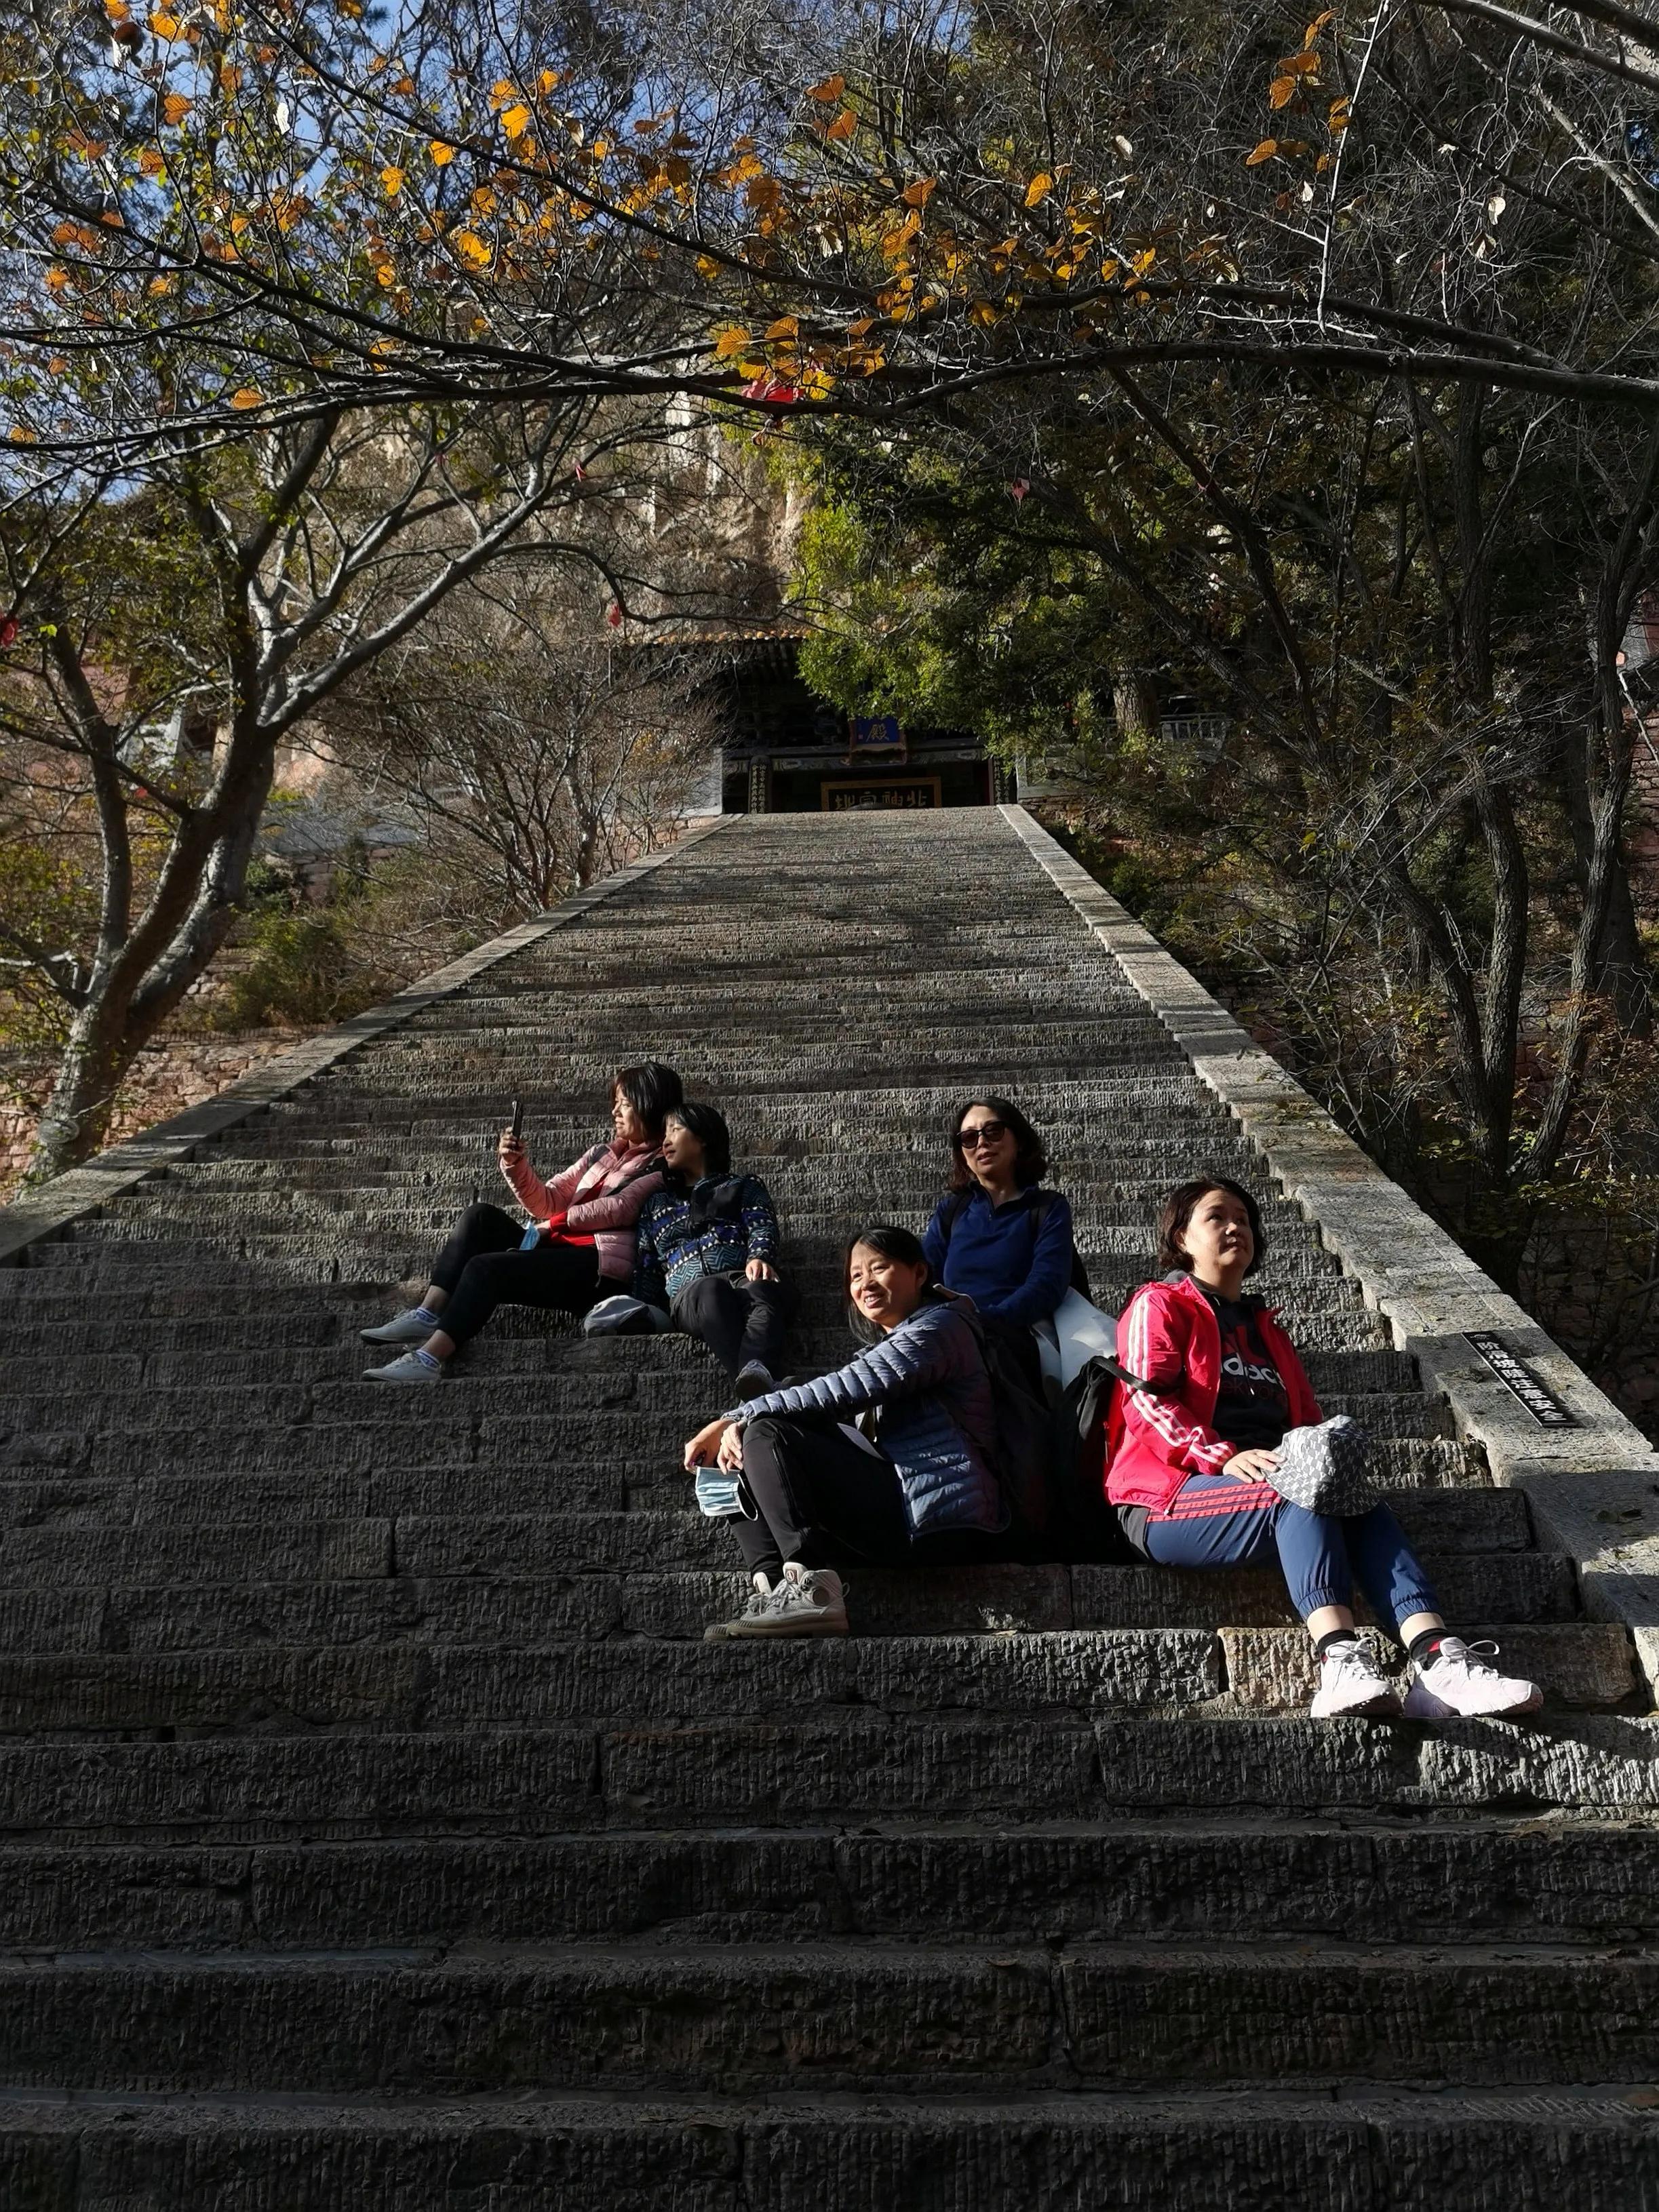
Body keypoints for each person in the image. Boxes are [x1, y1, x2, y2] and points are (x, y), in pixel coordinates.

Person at [1108, 1176, 1544, 1721]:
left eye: (1243, 1218)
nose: (1235, 1227)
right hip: (1166, 1497)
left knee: (1355, 1496)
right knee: (1303, 1490)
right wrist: (1221, 1456)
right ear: (1181, 1238)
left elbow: (1307, 1425)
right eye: (1217, 1217)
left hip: (1266, 1487)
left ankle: (1437, 1664)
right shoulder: (1160, 1304)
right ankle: (1338, 1659)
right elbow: (1145, 1403)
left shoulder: (1268, 1331)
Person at [682, 1225, 1009, 1639]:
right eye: (856, 1275)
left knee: (765, 1430)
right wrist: (735, 1426)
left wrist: (735, 1417)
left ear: (919, 1273)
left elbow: (845, 1388)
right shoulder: (887, 1347)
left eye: (879, 1268)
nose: (865, 1283)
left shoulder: (943, 1329)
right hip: (901, 1507)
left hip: (945, 1521)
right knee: (732, 1448)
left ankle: (812, 1589)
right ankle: (773, 1589)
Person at [359, 1061, 682, 1379]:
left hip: (601, 1267)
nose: (615, 1111)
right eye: (615, 1102)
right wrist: (515, 1165)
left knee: (486, 1268)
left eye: (624, 1104)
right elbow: (548, 1201)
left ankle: (429, 1359)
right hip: (560, 1248)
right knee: (480, 1217)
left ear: (650, 1105)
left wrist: (553, 1226)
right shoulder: (602, 1154)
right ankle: (428, 1313)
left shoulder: (664, 1163)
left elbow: (621, 1207)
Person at [631, 1102, 796, 1396]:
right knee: (711, 1291)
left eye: (675, 1130)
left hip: (741, 1277)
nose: (666, 1141)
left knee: (763, 1290)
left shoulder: (742, 1186)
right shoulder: (656, 1205)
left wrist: (760, 1255)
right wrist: (643, 1309)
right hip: (690, 1295)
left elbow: (761, 1224)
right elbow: (648, 1265)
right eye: (664, 1134)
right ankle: (758, 1386)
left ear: (703, 1138)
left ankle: (754, 1379)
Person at [922, 1097, 1075, 1327]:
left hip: (1018, 1332)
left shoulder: (1048, 1207)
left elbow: (1047, 1282)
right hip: (954, 1331)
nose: (982, 1142)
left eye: (993, 1131)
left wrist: (991, 1319)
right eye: (969, 1138)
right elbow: (925, 1278)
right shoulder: (951, 1211)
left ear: (1019, 1141)